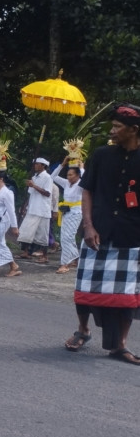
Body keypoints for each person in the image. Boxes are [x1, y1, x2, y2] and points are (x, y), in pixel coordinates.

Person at [70, 103, 140, 364]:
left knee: (128, 295)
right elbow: (87, 190)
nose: (112, 132)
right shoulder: (100, 155)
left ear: (134, 130)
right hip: (97, 231)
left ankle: (119, 346)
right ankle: (83, 330)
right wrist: (88, 225)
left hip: (131, 235)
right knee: (85, 286)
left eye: (117, 127)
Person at [51, 155, 83, 274]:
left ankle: (64, 264)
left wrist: (82, 167)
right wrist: (62, 164)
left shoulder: (80, 184)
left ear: (78, 175)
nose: (68, 177)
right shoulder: (66, 183)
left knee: (67, 238)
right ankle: (75, 257)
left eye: (71, 175)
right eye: (68, 175)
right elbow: (53, 177)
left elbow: (86, 180)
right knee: (66, 236)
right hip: (65, 212)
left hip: (76, 212)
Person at [17, 157, 53, 263]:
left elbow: (47, 193)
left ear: (43, 166)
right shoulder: (34, 177)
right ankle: (26, 252)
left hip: (42, 210)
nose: (35, 166)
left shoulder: (47, 178)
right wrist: (25, 206)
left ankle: (45, 255)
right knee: (25, 231)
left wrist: (34, 186)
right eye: (35, 164)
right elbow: (30, 193)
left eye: (37, 164)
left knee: (43, 234)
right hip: (32, 208)